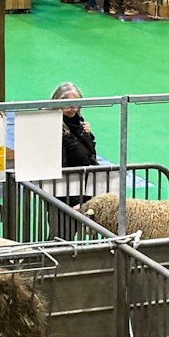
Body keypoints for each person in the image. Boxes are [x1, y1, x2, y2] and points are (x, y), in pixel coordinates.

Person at [51, 82, 98, 240]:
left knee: (70, 232)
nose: (73, 108)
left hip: (81, 189)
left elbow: (90, 153)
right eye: (68, 104)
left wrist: (88, 135)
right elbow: (61, 165)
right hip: (63, 193)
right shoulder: (54, 127)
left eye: (76, 104)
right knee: (61, 234)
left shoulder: (80, 124)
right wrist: (72, 201)